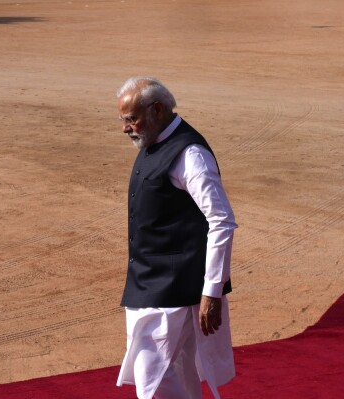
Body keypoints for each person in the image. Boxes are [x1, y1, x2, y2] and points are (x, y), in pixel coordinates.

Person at [115, 77, 237, 399]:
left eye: (132, 118)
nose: (127, 128)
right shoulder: (155, 141)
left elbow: (221, 220)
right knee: (178, 379)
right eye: (124, 120)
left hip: (172, 295)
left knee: (154, 382)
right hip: (151, 288)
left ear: (157, 110)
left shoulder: (191, 154)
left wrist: (211, 291)